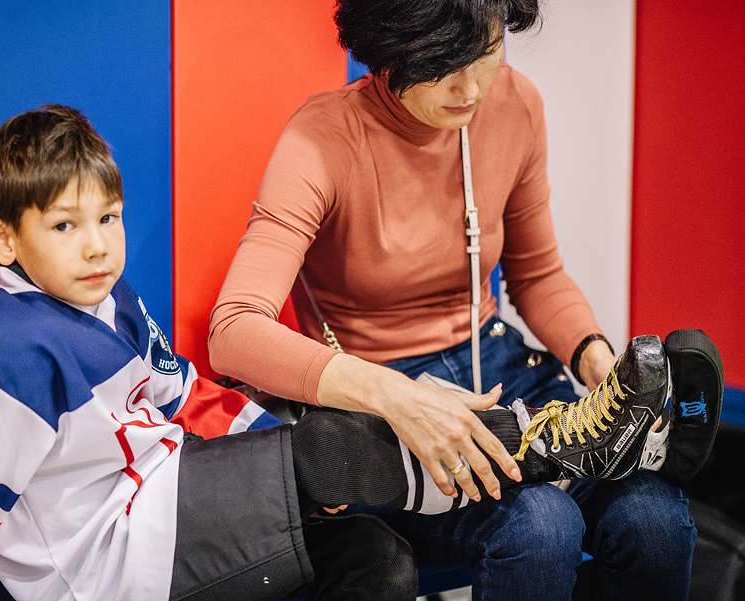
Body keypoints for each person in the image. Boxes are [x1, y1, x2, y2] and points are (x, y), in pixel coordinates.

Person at [0, 105, 717, 601]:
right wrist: (307, 453)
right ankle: (558, 444)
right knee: (335, 444)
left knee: (375, 561)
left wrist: (280, 445)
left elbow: (192, 399)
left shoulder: (110, 304)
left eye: (107, 219)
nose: (97, 245)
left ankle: (573, 442)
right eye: (64, 226)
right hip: (106, 564)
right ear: (5, 236)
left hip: (166, 509)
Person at [208, 1, 724, 599]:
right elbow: (234, 330)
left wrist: (604, 372)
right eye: (445, 65)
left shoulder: (515, 103)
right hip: (380, 402)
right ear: (387, 49)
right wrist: (397, 398)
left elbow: (538, 276)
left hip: (502, 369)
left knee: (655, 521)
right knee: (541, 526)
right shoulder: (321, 138)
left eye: (488, 54)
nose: (472, 88)